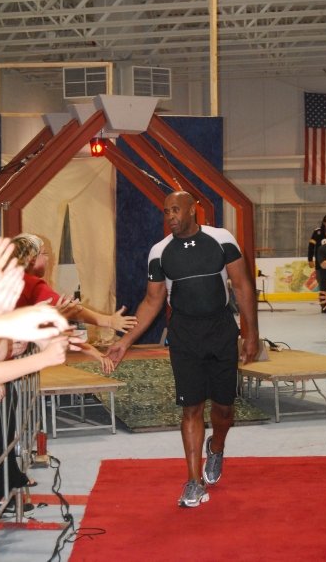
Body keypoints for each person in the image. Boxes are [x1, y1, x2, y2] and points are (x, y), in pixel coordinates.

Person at [107, 191, 259, 508]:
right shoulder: (160, 252)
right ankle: (193, 481)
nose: (171, 217)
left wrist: (251, 334)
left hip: (220, 330)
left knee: (224, 409)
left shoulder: (221, 239)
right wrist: (124, 341)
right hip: (184, 334)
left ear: (193, 210)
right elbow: (152, 301)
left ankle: (216, 448)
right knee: (191, 407)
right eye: (166, 212)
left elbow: (242, 286)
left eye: (176, 210)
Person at [307, 214, 326, 285]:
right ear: (324, 222)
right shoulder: (317, 232)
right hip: (320, 263)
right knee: (322, 284)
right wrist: (310, 259)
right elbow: (311, 246)